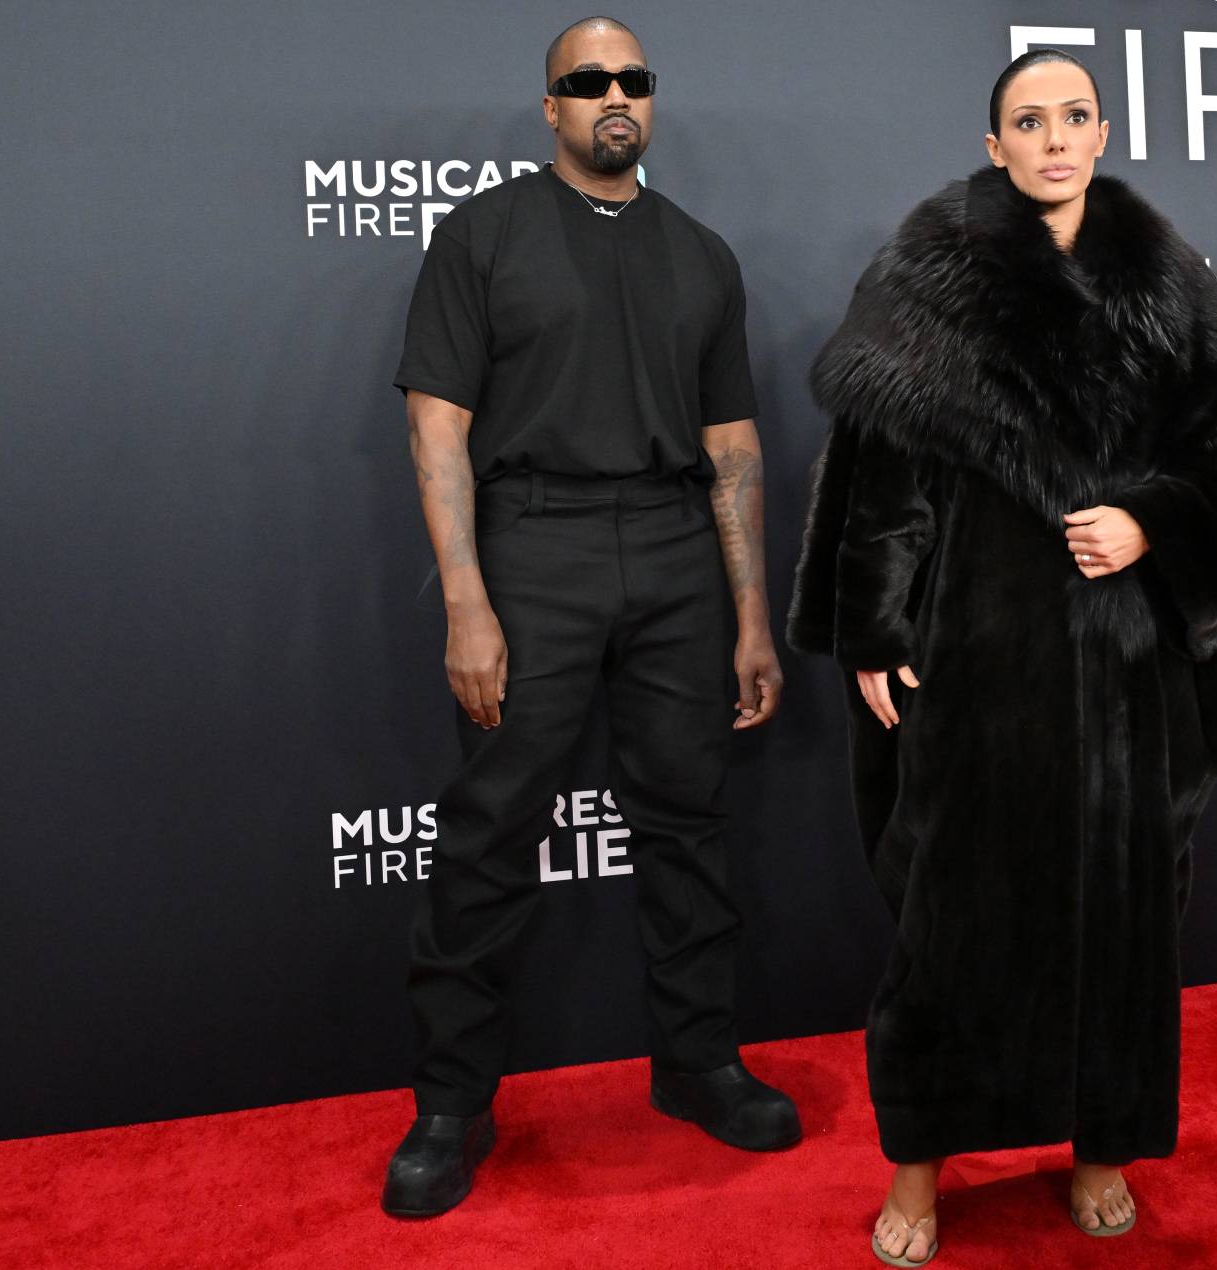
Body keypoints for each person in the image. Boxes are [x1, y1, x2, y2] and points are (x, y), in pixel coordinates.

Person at [787, 48, 1217, 1265]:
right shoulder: (927, 276)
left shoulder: (1168, 282)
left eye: (1072, 116)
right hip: (978, 651)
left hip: (1121, 673)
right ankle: (917, 1170)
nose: (1053, 139)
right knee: (947, 923)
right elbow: (881, 478)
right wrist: (875, 626)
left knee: (1117, 919)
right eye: (1027, 120)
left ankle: (1099, 1149)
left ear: (1101, 130)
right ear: (993, 140)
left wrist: (1149, 520)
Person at [381, 15, 798, 1219]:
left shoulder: (701, 254)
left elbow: (731, 447)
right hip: (534, 549)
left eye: (633, 80)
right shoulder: (483, 234)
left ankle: (698, 1064)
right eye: (588, 81)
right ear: (550, 106)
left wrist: (750, 614)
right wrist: (465, 599)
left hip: (677, 553)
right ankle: (451, 1103)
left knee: (688, 820)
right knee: (488, 832)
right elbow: (437, 429)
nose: (615, 96)